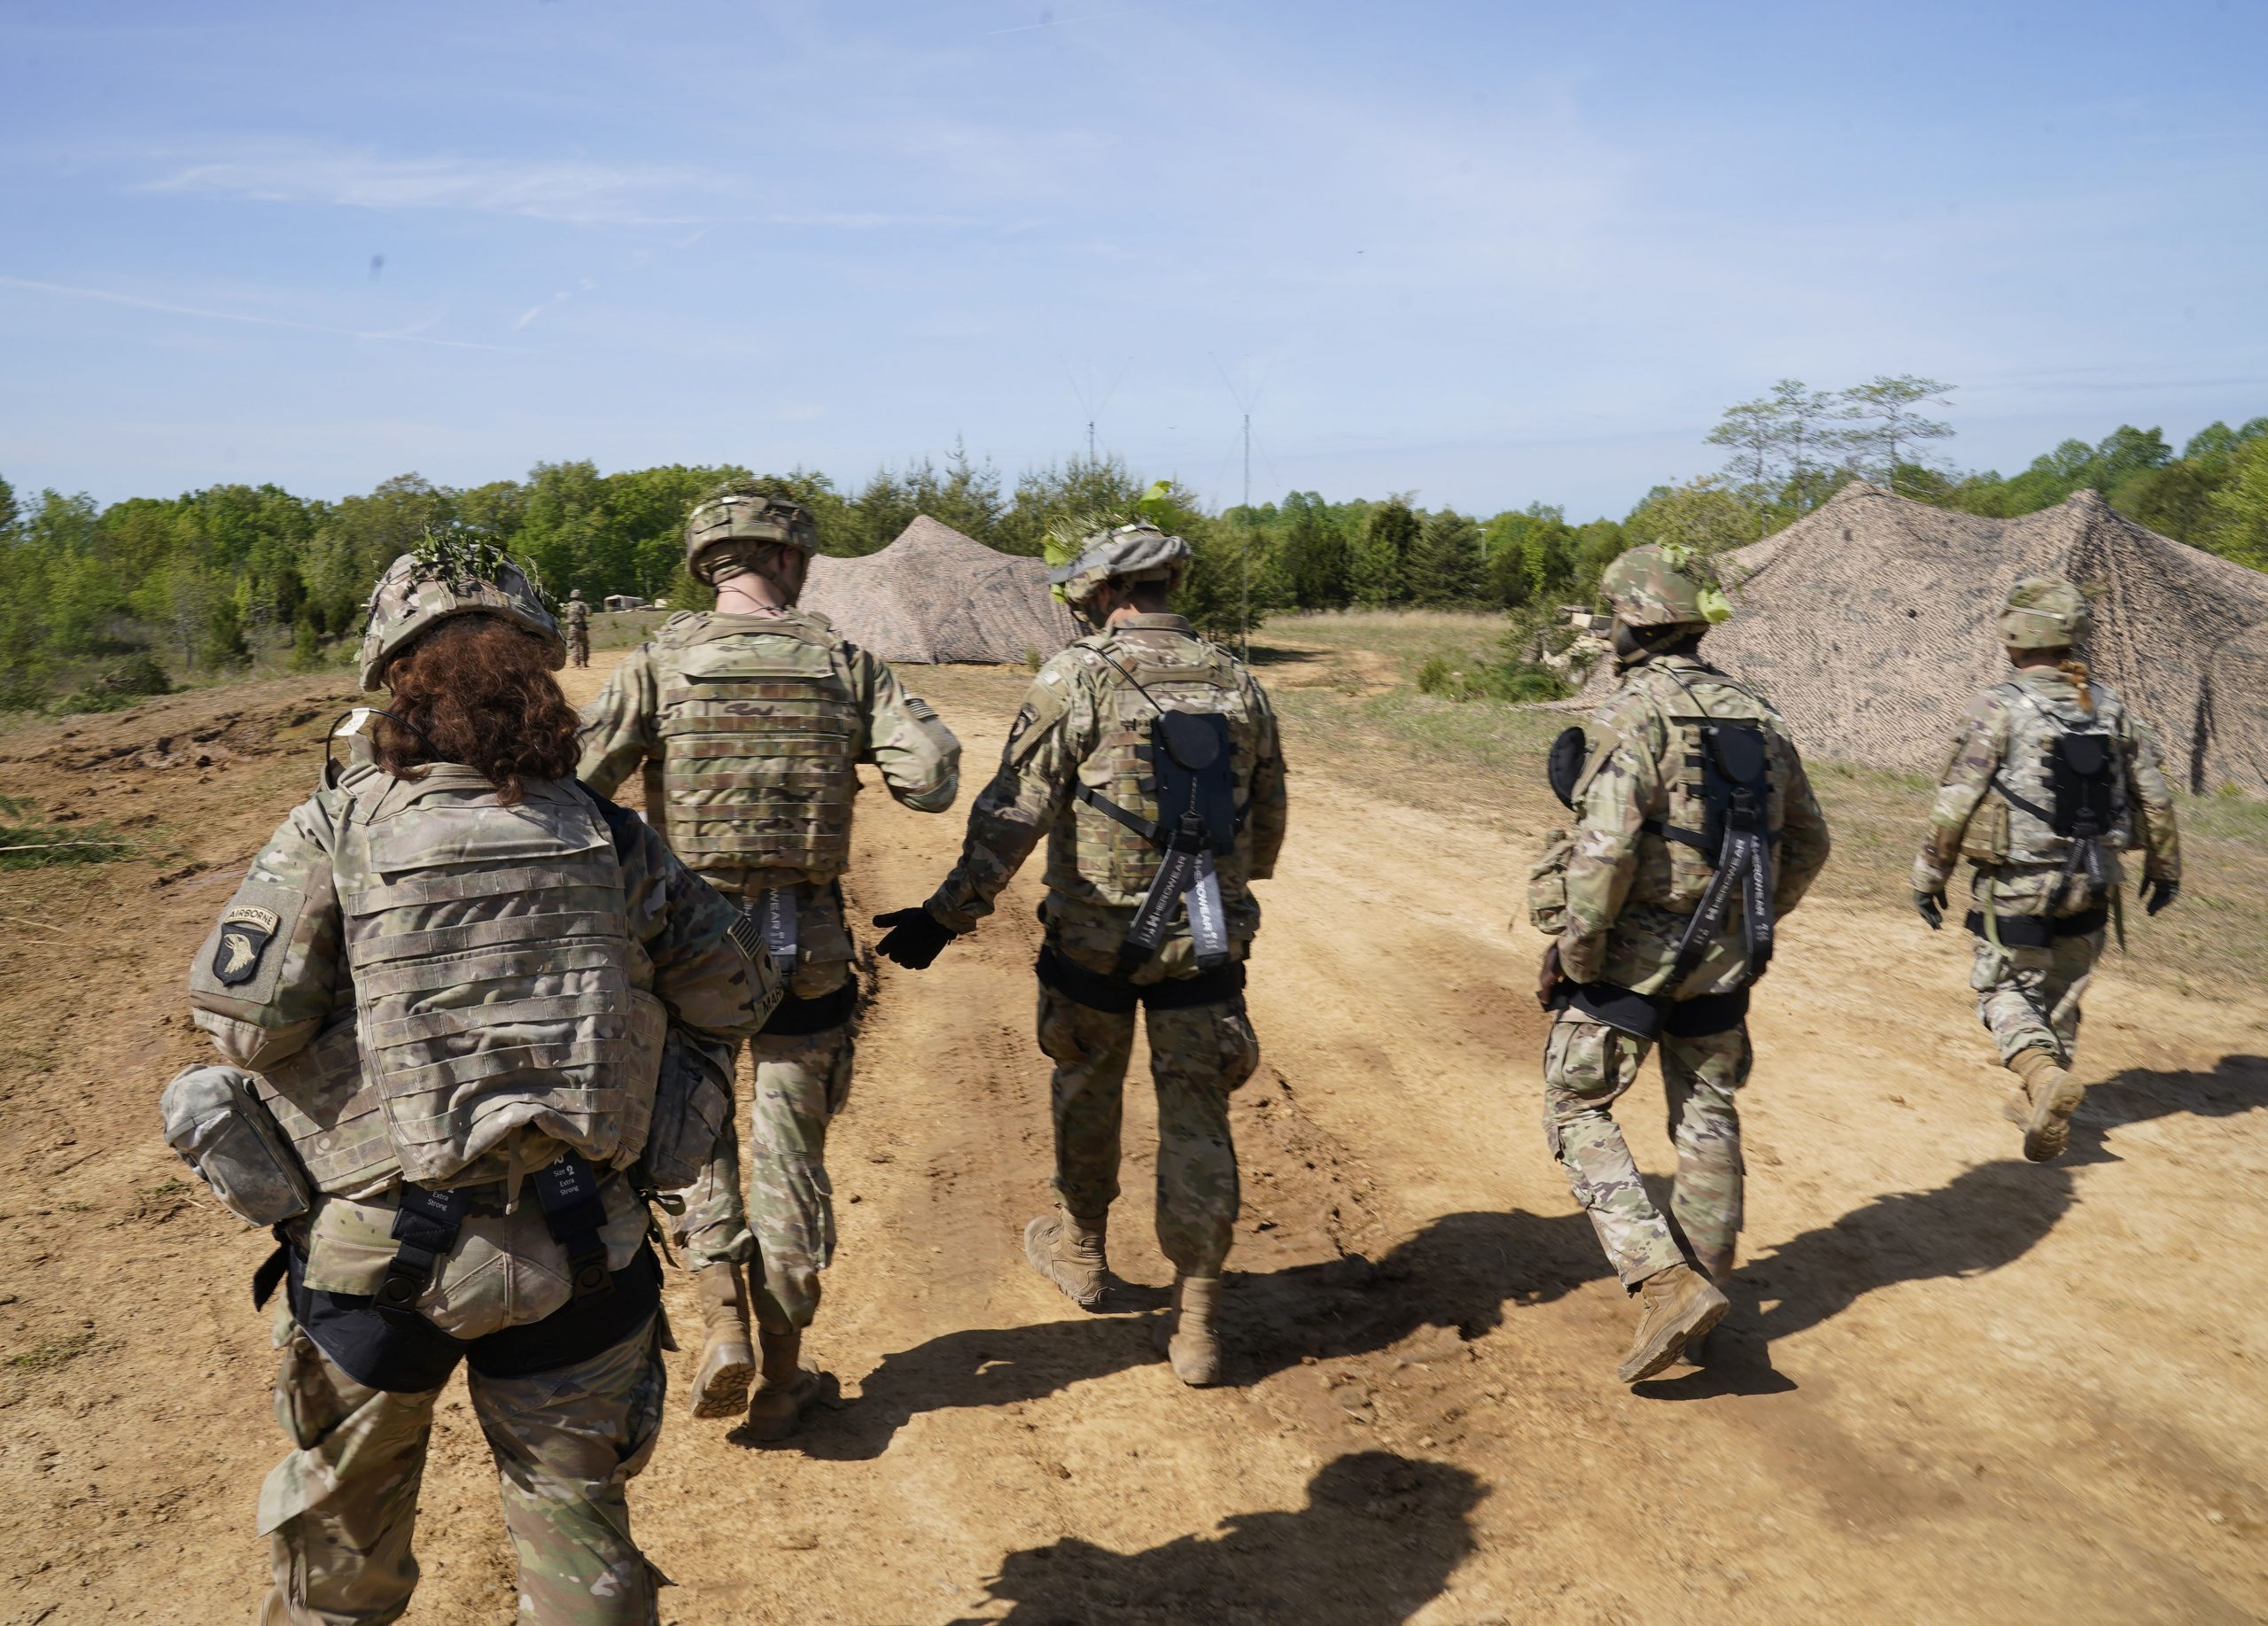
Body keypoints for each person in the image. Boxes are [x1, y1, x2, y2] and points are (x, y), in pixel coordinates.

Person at [170, 532, 779, 1624]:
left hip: (377, 1262)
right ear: (539, 667)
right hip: (583, 1251)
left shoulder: (336, 825)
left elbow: (243, 1029)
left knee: (337, 1577)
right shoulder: (611, 835)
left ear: (395, 676)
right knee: (583, 1554)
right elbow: (737, 993)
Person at [577, 478, 960, 1439]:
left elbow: (577, 786)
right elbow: (931, 779)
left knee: (695, 1134)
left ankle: (721, 1327)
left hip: (691, 948)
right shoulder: (842, 661)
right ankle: (785, 1377)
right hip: (807, 949)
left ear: (710, 563)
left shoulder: (659, 661)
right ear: (788, 557)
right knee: (791, 1156)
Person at [872, 520, 1286, 1387]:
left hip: (1094, 946)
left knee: (1087, 1084)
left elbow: (1014, 810)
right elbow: (1267, 822)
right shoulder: (1238, 680)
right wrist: (1214, 891)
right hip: (1204, 944)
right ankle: (1197, 1322)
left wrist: (947, 916)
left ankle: (1083, 1251)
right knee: (1199, 1116)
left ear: (1104, 590)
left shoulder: (1077, 676)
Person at [1530, 541, 1831, 1382]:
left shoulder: (1635, 713)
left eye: (1612, 619)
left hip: (1633, 959)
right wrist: (1747, 921)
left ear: (1633, 622)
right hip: (1724, 962)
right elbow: (1810, 842)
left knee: (1575, 1104)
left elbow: (1603, 856)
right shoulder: (1759, 715)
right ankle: (1704, 1299)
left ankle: (1663, 1282)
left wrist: (1575, 955)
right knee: (1707, 1113)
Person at [1911, 575, 2180, 1162]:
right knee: (2061, 993)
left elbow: (1956, 799)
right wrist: (2166, 868)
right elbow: (2155, 797)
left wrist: (1930, 875)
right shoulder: (2110, 706)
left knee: (2003, 987)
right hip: (2096, 881)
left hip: (2019, 882)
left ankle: (2040, 1075)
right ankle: (2038, 1097)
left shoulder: (1999, 706)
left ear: (2014, 635)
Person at [564, 587, 591, 667]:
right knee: (585, 645)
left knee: (574, 645)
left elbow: (565, 616)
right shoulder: (582, 604)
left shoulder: (568, 605)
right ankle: (585, 662)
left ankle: (577, 664)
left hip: (572, 628)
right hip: (581, 627)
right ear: (580, 596)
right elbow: (589, 613)